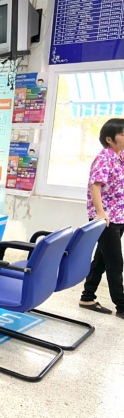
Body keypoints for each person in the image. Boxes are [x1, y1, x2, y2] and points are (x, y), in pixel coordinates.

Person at [80, 118, 124, 318]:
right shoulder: (104, 158)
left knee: (101, 260)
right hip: (106, 219)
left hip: (119, 216)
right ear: (109, 138)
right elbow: (95, 185)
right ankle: (121, 305)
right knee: (115, 262)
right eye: (122, 134)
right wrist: (100, 213)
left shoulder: (120, 156)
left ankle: (87, 296)